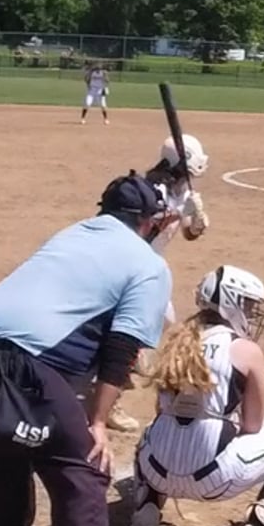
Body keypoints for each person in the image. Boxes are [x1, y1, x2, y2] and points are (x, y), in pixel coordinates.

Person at [0, 172, 174, 526]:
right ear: (148, 222)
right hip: (20, 365)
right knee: (86, 468)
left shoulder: (73, 232)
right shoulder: (149, 266)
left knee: (13, 439)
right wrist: (98, 422)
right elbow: (121, 349)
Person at [126, 267, 264, 526]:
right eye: (248, 305)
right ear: (231, 302)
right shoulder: (245, 350)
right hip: (215, 480)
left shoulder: (176, 343)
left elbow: (161, 409)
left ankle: (146, 506)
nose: (252, 313)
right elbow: (252, 425)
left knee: (152, 433)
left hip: (157, 472)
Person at [99, 134, 213, 434]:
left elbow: (188, 233)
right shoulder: (152, 190)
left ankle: (124, 369)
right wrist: (179, 212)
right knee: (137, 332)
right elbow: (144, 232)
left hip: (150, 266)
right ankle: (110, 398)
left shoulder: (182, 190)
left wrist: (196, 222)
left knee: (161, 324)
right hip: (132, 266)